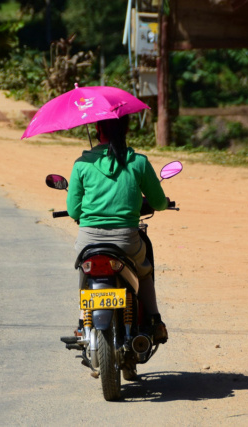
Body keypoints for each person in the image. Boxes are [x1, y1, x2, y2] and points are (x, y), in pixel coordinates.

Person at [66, 115, 169, 344]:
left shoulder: (82, 164)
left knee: (85, 271)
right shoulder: (138, 162)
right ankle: (154, 320)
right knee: (143, 271)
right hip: (126, 241)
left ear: (97, 128)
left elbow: (73, 211)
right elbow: (160, 203)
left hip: (89, 241)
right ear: (126, 129)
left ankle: (83, 323)